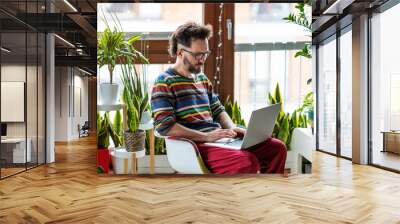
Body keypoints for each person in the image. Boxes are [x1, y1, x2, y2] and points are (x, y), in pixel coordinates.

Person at [151, 22, 286, 174]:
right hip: (195, 147)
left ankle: (266, 193)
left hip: (217, 141)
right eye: (197, 54)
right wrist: (206, 136)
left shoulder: (202, 79)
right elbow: (165, 127)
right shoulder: (164, 82)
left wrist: (232, 127)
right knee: (246, 161)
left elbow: (218, 110)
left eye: (205, 54)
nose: (202, 59)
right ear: (180, 52)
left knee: (277, 148)